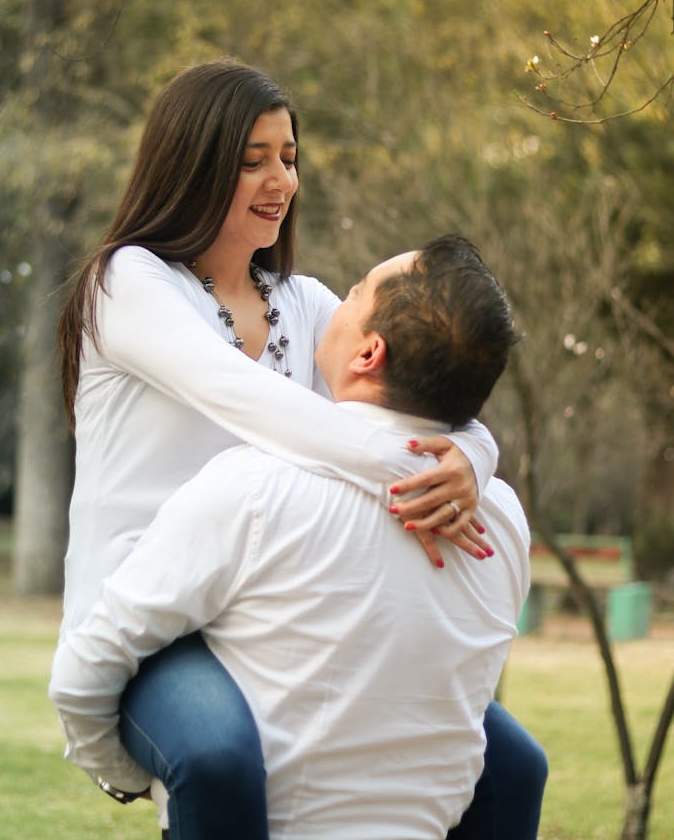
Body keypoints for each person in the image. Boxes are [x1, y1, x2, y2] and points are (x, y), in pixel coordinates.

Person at [54, 61, 546, 838]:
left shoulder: (304, 304)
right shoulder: (128, 282)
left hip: (261, 618)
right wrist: (421, 467)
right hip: (152, 621)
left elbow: (427, 387)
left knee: (514, 763)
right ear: (192, 162)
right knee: (216, 754)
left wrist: (472, 459)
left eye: (289, 157)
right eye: (253, 159)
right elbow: (243, 398)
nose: (279, 178)